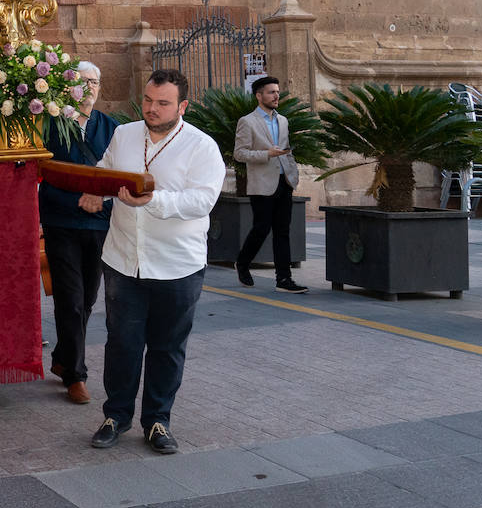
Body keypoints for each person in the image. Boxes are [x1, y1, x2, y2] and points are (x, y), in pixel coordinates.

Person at [79, 69, 225, 455]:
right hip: (123, 259)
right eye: (148, 100)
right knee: (122, 343)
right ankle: (116, 416)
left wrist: (153, 201)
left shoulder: (201, 147)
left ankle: (158, 420)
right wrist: (98, 192)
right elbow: (107, 172)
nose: (152, 109)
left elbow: (201, 201)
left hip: (177, 265)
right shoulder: (124, 134)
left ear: (183, 106)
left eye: (162, 103)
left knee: (166, 346)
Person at [38, 61, 117, 404]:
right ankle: (76, 375)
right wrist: (79, 201)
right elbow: (43, 174)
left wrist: (101, 200)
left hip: (100, 224)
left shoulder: (113, 128)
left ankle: (61, 358)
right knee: (70, 299)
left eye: (95, 81)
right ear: (69, 85)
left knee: (86, 299)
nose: (90, 87)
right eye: (83, 81)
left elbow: (121, 176)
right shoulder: (50, 124)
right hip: (62, 224)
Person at [234, 76, 308, 293]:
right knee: (261, 229)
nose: (276, 96)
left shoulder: (283, 120)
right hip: (262, 184)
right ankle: (243, 263)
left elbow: (285, 149)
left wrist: (292, 173)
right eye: (271, 92)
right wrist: (267, 154)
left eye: (277, 91)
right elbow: (239, 153)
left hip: (284, 182)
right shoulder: (247, 122)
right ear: (259, 96)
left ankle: (284, 280)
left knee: (282, 231)